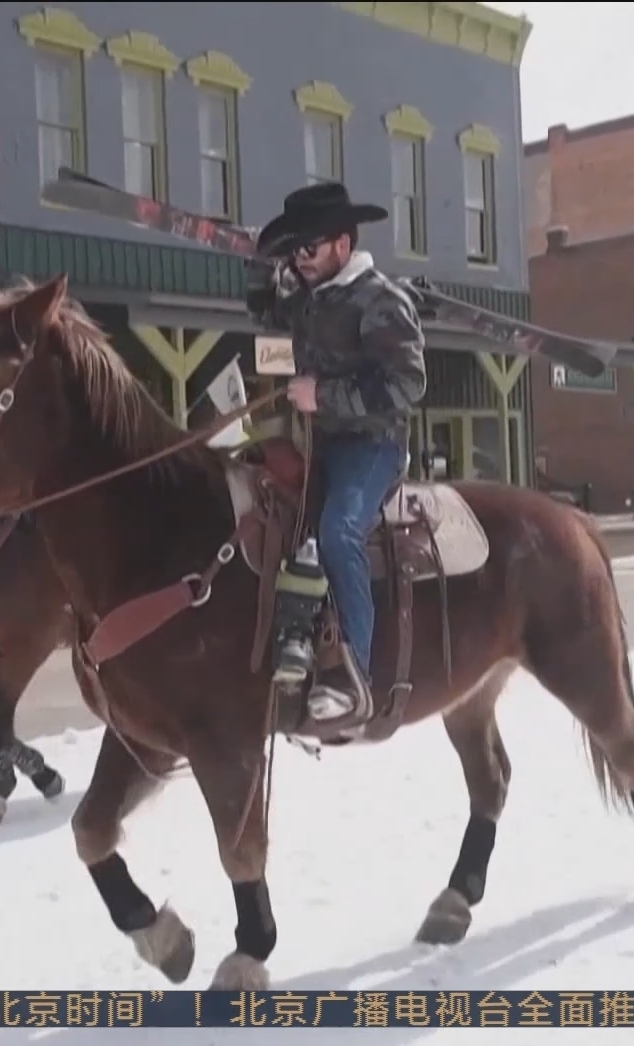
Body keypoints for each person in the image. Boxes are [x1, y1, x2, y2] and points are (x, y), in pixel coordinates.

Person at [245, 182, 427, 728]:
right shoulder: (309, 294)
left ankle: (354, 676)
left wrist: (323, 395)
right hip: (317, 442)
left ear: (343, 245)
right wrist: (262, 265)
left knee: (339, 529)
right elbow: (268, 313)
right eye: (293, 250)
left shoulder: (381, 300)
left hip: (371, 446)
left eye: (309, 248)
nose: (299, 260)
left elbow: (409, 383)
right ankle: (290, 646)